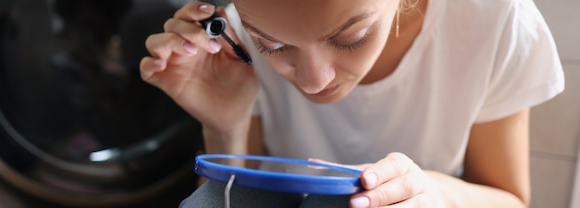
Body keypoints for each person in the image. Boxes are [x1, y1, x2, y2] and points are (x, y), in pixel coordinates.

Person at [140, 0, 565, 207]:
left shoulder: (491, 20)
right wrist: (224, 126)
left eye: (350, 38)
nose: (313, 81)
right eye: (272, 45)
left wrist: (435, 194)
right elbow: (234, 200)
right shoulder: (234, 38)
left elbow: (509, 200)